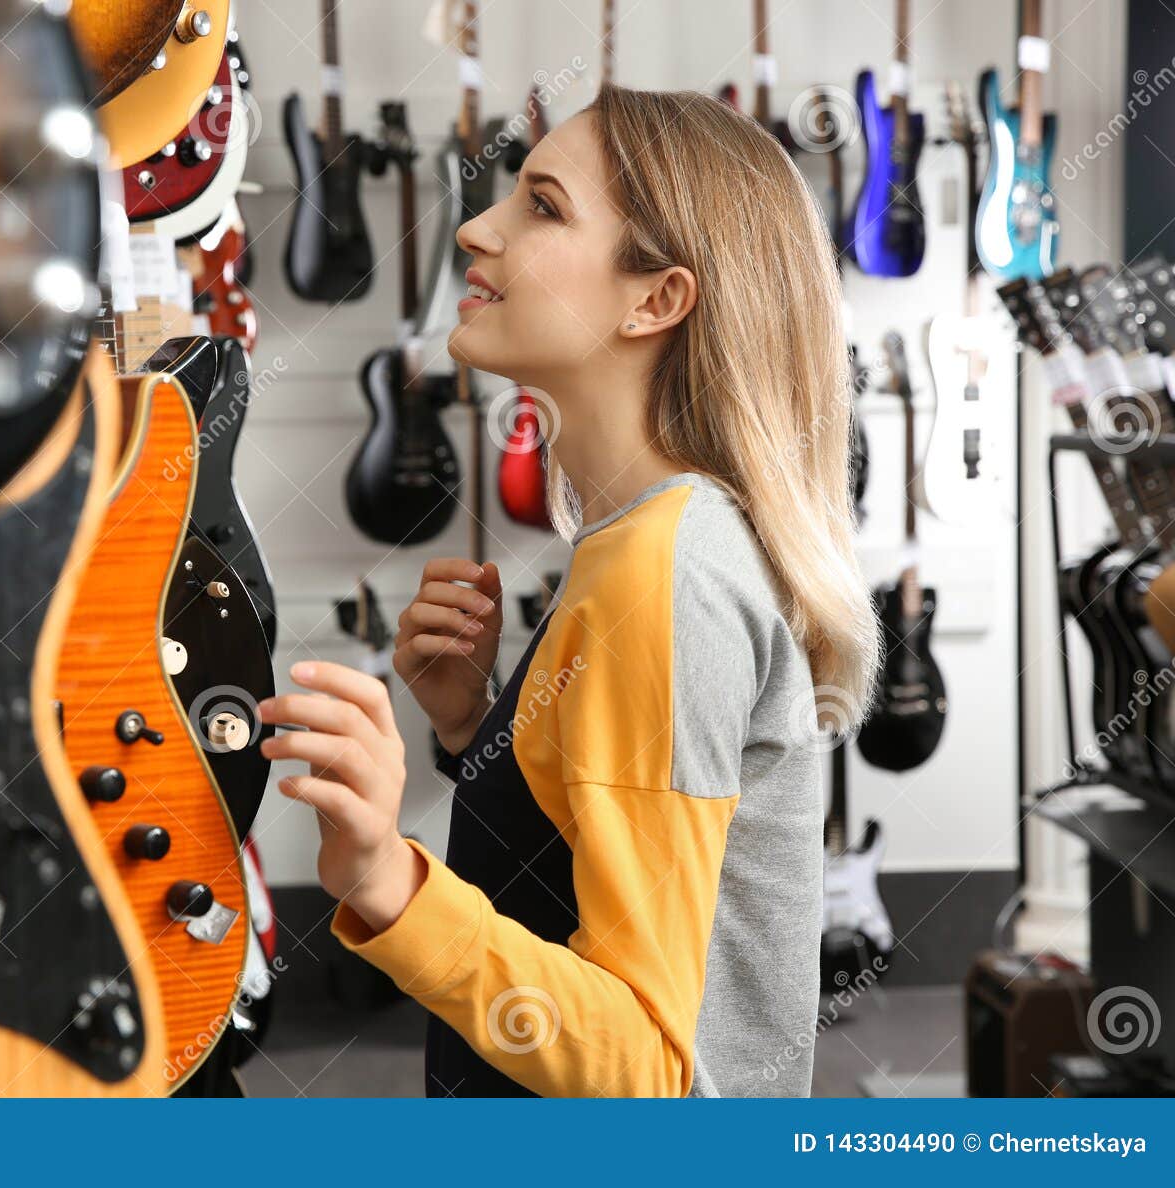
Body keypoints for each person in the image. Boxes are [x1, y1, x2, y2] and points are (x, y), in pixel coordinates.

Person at [257, 85, 879, 1097]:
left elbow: (645, 1064)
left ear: (656, 299)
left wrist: (387, 879)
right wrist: (485, 733)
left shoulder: (663, 570)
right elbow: (577, 880)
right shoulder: (644, 539)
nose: (474, 227)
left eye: (541, 205)